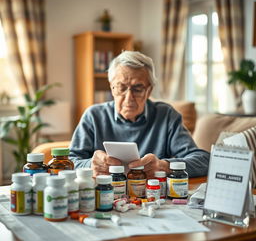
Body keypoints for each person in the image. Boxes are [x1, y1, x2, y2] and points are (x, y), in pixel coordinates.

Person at [69, 51, 209, 178]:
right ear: (112, 88)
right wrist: (90, 165)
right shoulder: (93, 116)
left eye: (137, 88)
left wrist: (164, 166)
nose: (129, 97)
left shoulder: (166, 115)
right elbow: (69, 162)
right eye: (121, 87)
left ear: (149, 90)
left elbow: (203, 160)